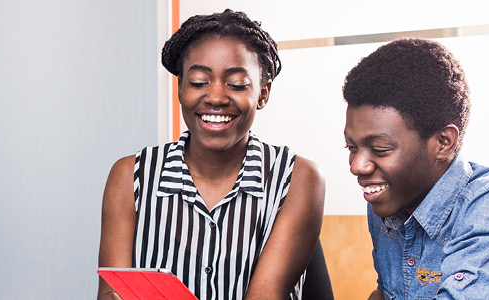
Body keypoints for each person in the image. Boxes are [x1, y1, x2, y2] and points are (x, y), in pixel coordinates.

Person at [98, 9, 329, 300]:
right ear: (181, 87)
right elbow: (111, 294)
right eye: (198, 81)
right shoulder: (130, 176)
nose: (216, 97)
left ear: (263, 93)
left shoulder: (298, 178)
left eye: (236, 84)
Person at [341, 38, 489, 299]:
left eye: (380, 149)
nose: (357, 166)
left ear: (443, 143)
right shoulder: (386, 202)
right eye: (351, 147)